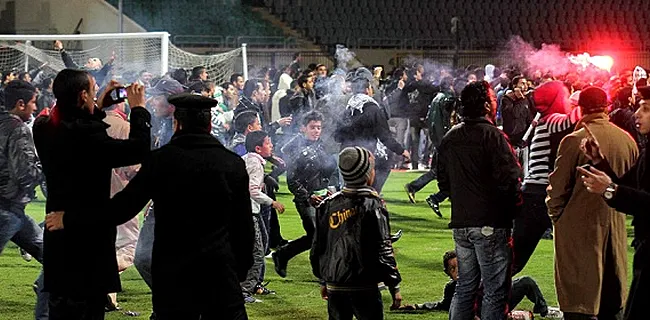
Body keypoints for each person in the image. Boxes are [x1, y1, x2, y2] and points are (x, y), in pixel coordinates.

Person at [46, 93, 254, 320]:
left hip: (173, 274)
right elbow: (244, 227)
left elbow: (121, 209)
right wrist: (240, 269)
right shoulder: (231, 164)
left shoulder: (161, 160)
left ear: (177, 123)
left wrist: (69, 218)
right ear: (209, 125)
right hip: (219, 272)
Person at [33, 69, 151, 320]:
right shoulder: (87, 137)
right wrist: (139, 109)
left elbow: (76, 122)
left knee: (61, 309)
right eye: (94, 90)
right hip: (86, 244)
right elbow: (138, 149)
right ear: (83, 95)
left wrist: (97, 106)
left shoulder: (44, 127)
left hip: (59, 242)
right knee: (85, 311)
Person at [547, 87, 637, 320]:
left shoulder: (574, 140)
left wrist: (556, 216)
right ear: (607, 107)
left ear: (580, 108)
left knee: (580, 305)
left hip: (579, 231)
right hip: (615, 230)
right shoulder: (627, 140)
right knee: (612, 299)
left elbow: (558, 188)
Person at [437, 81, 521, 320]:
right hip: (489, 223)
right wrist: (510, 210)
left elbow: (442, 182)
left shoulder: (450, 137)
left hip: (461, 223)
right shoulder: (493, 136)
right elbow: (512, 179)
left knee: (465, 287)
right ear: (486, 105)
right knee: (495, 291)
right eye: (493, 99)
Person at [578, 85, 650, 320]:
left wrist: (610, 190)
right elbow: (628, 187)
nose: (637, 114)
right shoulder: (646, 149)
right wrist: (600, 162)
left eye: (646, 109)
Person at [310, 146, 402, 320]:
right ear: (368, 174)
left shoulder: (327, 205)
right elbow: (384, 248)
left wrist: (324, 279)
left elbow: (318, 248)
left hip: (335, 285)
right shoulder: (374, 204)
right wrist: (394, 285)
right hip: (365, 284)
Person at [272, 111, 338, 278]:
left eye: (319, 128)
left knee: (317, 236)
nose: (316, 131)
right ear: (303, 128)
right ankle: (321, 272)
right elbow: (292, 180)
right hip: (306, 200)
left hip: (324, 198)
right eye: (312, 127)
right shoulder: (294, 148)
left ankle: (283, 255)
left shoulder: (322, 146)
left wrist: (332, 188)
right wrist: (308, 196)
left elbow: (332, 170)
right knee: (317, 235)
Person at [397, 250, 555, 318]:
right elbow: (442, 305)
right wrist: (418, 307)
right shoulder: (452, 289)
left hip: (499, 302)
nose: (457, 271)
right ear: (447, 273)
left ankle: (543, 309)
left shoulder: (479, 276)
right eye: (453, 269)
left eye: (460, 266)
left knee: (526, 281)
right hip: (484, 313)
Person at [0, 80, 46, 316]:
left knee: (56, 260)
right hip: (7, 209)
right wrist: (46, 170)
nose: (35, 108)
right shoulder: (18, 129)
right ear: (20, 104)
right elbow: (25, 174)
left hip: (14, 212)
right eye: (32, 103)